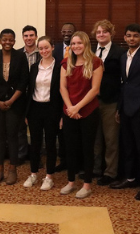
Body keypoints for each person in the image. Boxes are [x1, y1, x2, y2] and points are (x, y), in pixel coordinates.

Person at [110, 24, 140, 200]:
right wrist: (118, 108)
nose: (132, 39)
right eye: (129, 35)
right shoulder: (123, 57)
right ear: (124, 37)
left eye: (135, 36)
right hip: (125, 110)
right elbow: (125, 85)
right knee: (128, 146)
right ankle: (130, 178)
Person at [59, 31, 103, 198]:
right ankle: (71, 182)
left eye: (79, 43)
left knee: (87, 148)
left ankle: (86, 185)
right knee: (70, 148)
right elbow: (62, 88)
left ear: (85, 44)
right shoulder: (66, 62)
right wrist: (71, 108)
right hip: (69, 111)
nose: (76, 46)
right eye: (74, 43)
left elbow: (95, 89)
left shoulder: (96, 62)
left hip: (88, 111)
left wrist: (78, 107)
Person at [0, 28, 29, 185]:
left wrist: (11, 101)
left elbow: (23, 82)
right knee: (0, 137)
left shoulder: (21, 56)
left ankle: (12, 170)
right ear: (0, 41)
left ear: (15, 41)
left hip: (15, 103)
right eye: (5, 39)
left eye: (11, 40)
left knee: (12, 136)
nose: (7, 42)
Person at [24, 36, 62, 191]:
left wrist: (61, 115)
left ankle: (49, 177)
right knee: (35, 143)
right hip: (35, 109)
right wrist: (27, 113)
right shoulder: (34, 67)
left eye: (46, 47)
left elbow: (62, 92)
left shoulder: (60, 67)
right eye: (41, 48)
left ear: (53, 47)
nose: (44, 51)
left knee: (51, 143)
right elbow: (29, 90)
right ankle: (33, 174)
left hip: (52, 109)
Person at [91, 20, 126, 185]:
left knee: (111, 139)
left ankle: (110, 172)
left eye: (104, 32)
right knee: (95, 138)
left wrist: (120, 105)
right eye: (98, 32)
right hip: (91, 101)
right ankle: (95, 168)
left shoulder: (120, 53)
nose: (101, 35)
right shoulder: (90, 51)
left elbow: (123, 81)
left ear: (111, 33)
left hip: (110, 101)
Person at [52, 22, 76, 172]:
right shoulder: (55, 50)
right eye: (64, 31)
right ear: (61, 32)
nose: (67, 33)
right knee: (60, 131)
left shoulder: (80, 48)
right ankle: (64, 160)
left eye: (70, 31)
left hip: (75, 95)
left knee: (73, 131)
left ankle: (75, 161)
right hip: (58, 94)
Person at [17, 25, 41, 165]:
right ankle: (22, 154)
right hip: (21, 96)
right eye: (26, 36)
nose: (29, 38)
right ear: (23, 37)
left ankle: (36, 156)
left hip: (38, 95)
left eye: (31, 35)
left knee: (36, 128)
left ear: (36, 37)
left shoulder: (43, 52)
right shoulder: (18, 54)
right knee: (20, 127)